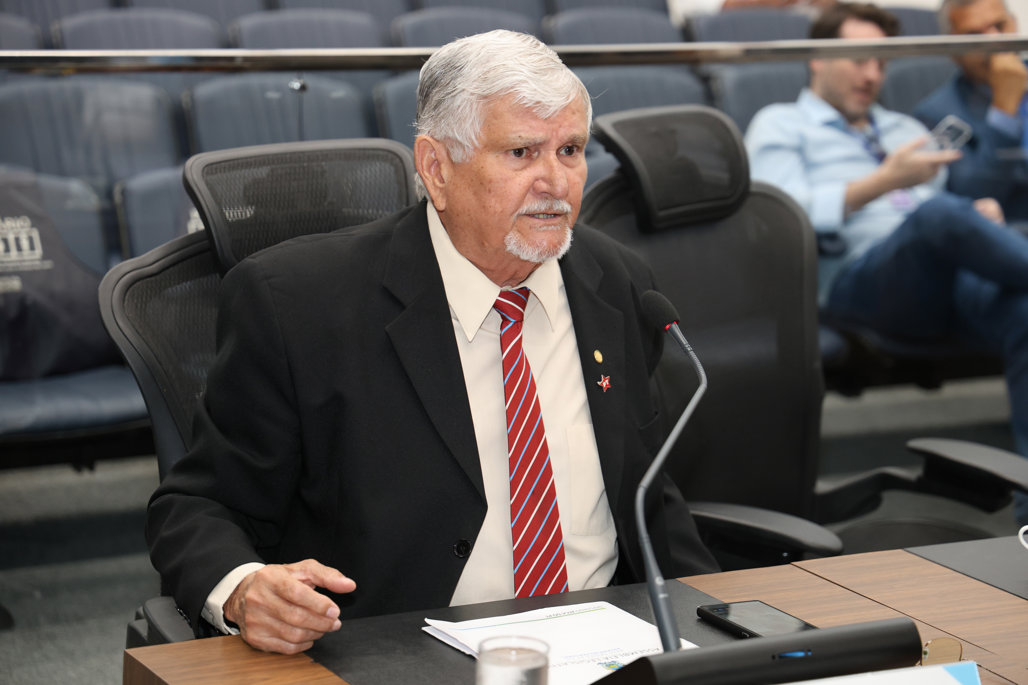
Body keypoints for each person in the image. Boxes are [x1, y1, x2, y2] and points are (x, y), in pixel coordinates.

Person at [146, 30, 718, 655]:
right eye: (522, 152)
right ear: (437, 168)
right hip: (398, 652)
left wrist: (720, 631)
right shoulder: (298, 306)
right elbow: (198, 506)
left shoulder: (618, 282)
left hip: (607, 639)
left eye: (570, 150)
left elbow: (648, 496)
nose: (556, 182)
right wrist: (242, 588)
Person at [744, 2, 1028, 527]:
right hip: (857, 282)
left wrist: (977, 216)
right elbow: (778, 217)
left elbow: (949, 213)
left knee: (1022, 309)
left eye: (880, 62)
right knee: (939, 215)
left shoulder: (903, 127)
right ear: (816, 58)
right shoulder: (782, 124)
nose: (872, 74)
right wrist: (884, 183)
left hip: (944, 276)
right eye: (859, 60)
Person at [913, 0, 1028, 224]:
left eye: (1000, 26)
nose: (994, 42)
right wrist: (1004, 110)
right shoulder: (936, 114)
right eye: (975, 35)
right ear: (952, 48)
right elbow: (971, 200)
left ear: (1014, 24)